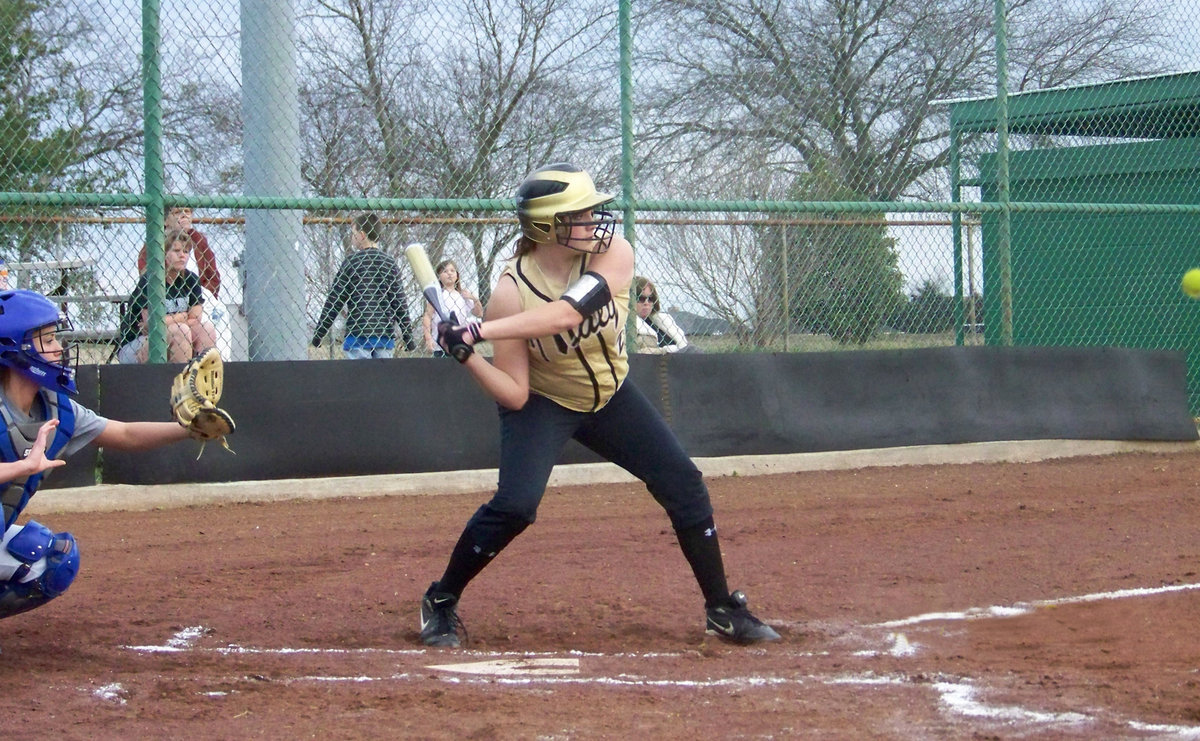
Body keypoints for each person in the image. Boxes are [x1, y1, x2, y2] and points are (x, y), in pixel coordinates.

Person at [420, 163, 780, 647]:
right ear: (548, 226)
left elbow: (569, 311)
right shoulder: (510, 293)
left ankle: (721, 608)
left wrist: (477, 331)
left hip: (611, 397)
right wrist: (467, 356)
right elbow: (514, 394)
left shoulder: (613, 252)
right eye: (581, 213)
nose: (596, 220)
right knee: (516, 506)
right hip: (544, 404)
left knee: (682, 482)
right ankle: (441, 599)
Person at [0, 289, 197, 621]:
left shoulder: (54, 408)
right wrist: (23, 466)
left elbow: (125, 434)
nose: (60, 349)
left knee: (52, 558)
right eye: (46, 340)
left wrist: (189, 428)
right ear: (15, 348)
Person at [312, 213, 416, 358]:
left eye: (353, 234)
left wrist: (319, 333)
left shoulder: (352, 262)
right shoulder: (389, 263)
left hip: (358, 334)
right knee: (382, 378)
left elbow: (335, 300)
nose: (352, 237)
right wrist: (408, 337)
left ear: (361, 235)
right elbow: (399, 303)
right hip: (383, 335)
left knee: (359, 379)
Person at [117, 230, 217, 364]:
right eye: (176, 251)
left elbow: (196, 318)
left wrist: (166, 321)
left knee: (206, 329)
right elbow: (151, 324)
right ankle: (177, 381)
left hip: (175, 336)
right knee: (181, 330)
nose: (182, 256)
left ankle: (201, 378)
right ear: (163, 254)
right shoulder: (151, 281)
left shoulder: (191, 280)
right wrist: (182, 317)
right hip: (137, 344)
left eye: (186, 252)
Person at [138, 206, 220, 299]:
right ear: (165, 221)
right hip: (166, 298)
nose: (184, 215)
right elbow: (146, 276)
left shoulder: (199, 240)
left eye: (187, 212)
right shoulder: (155, 243)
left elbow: (212, 276)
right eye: (177, 212)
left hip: (199, 297)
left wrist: (200, 297)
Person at [422, 259, 482, 358]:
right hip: (441, 345)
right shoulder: (437, 295)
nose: (449, 273)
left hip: (460, 343)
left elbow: (479, 314)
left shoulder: (463, 295)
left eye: (452, 271)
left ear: (457, 275)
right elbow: (427, 316)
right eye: (445, 271)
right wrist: (428, 338)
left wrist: (474, 299)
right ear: (439, 277)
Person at [632, 276, 694, 354]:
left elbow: (683, 345)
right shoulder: (628, 326)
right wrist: (665, 351)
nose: (646, 303)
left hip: (678, 359)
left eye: (650, 299)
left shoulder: (664, 320)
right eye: (641, 298)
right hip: (654, 363)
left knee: (693, 351)